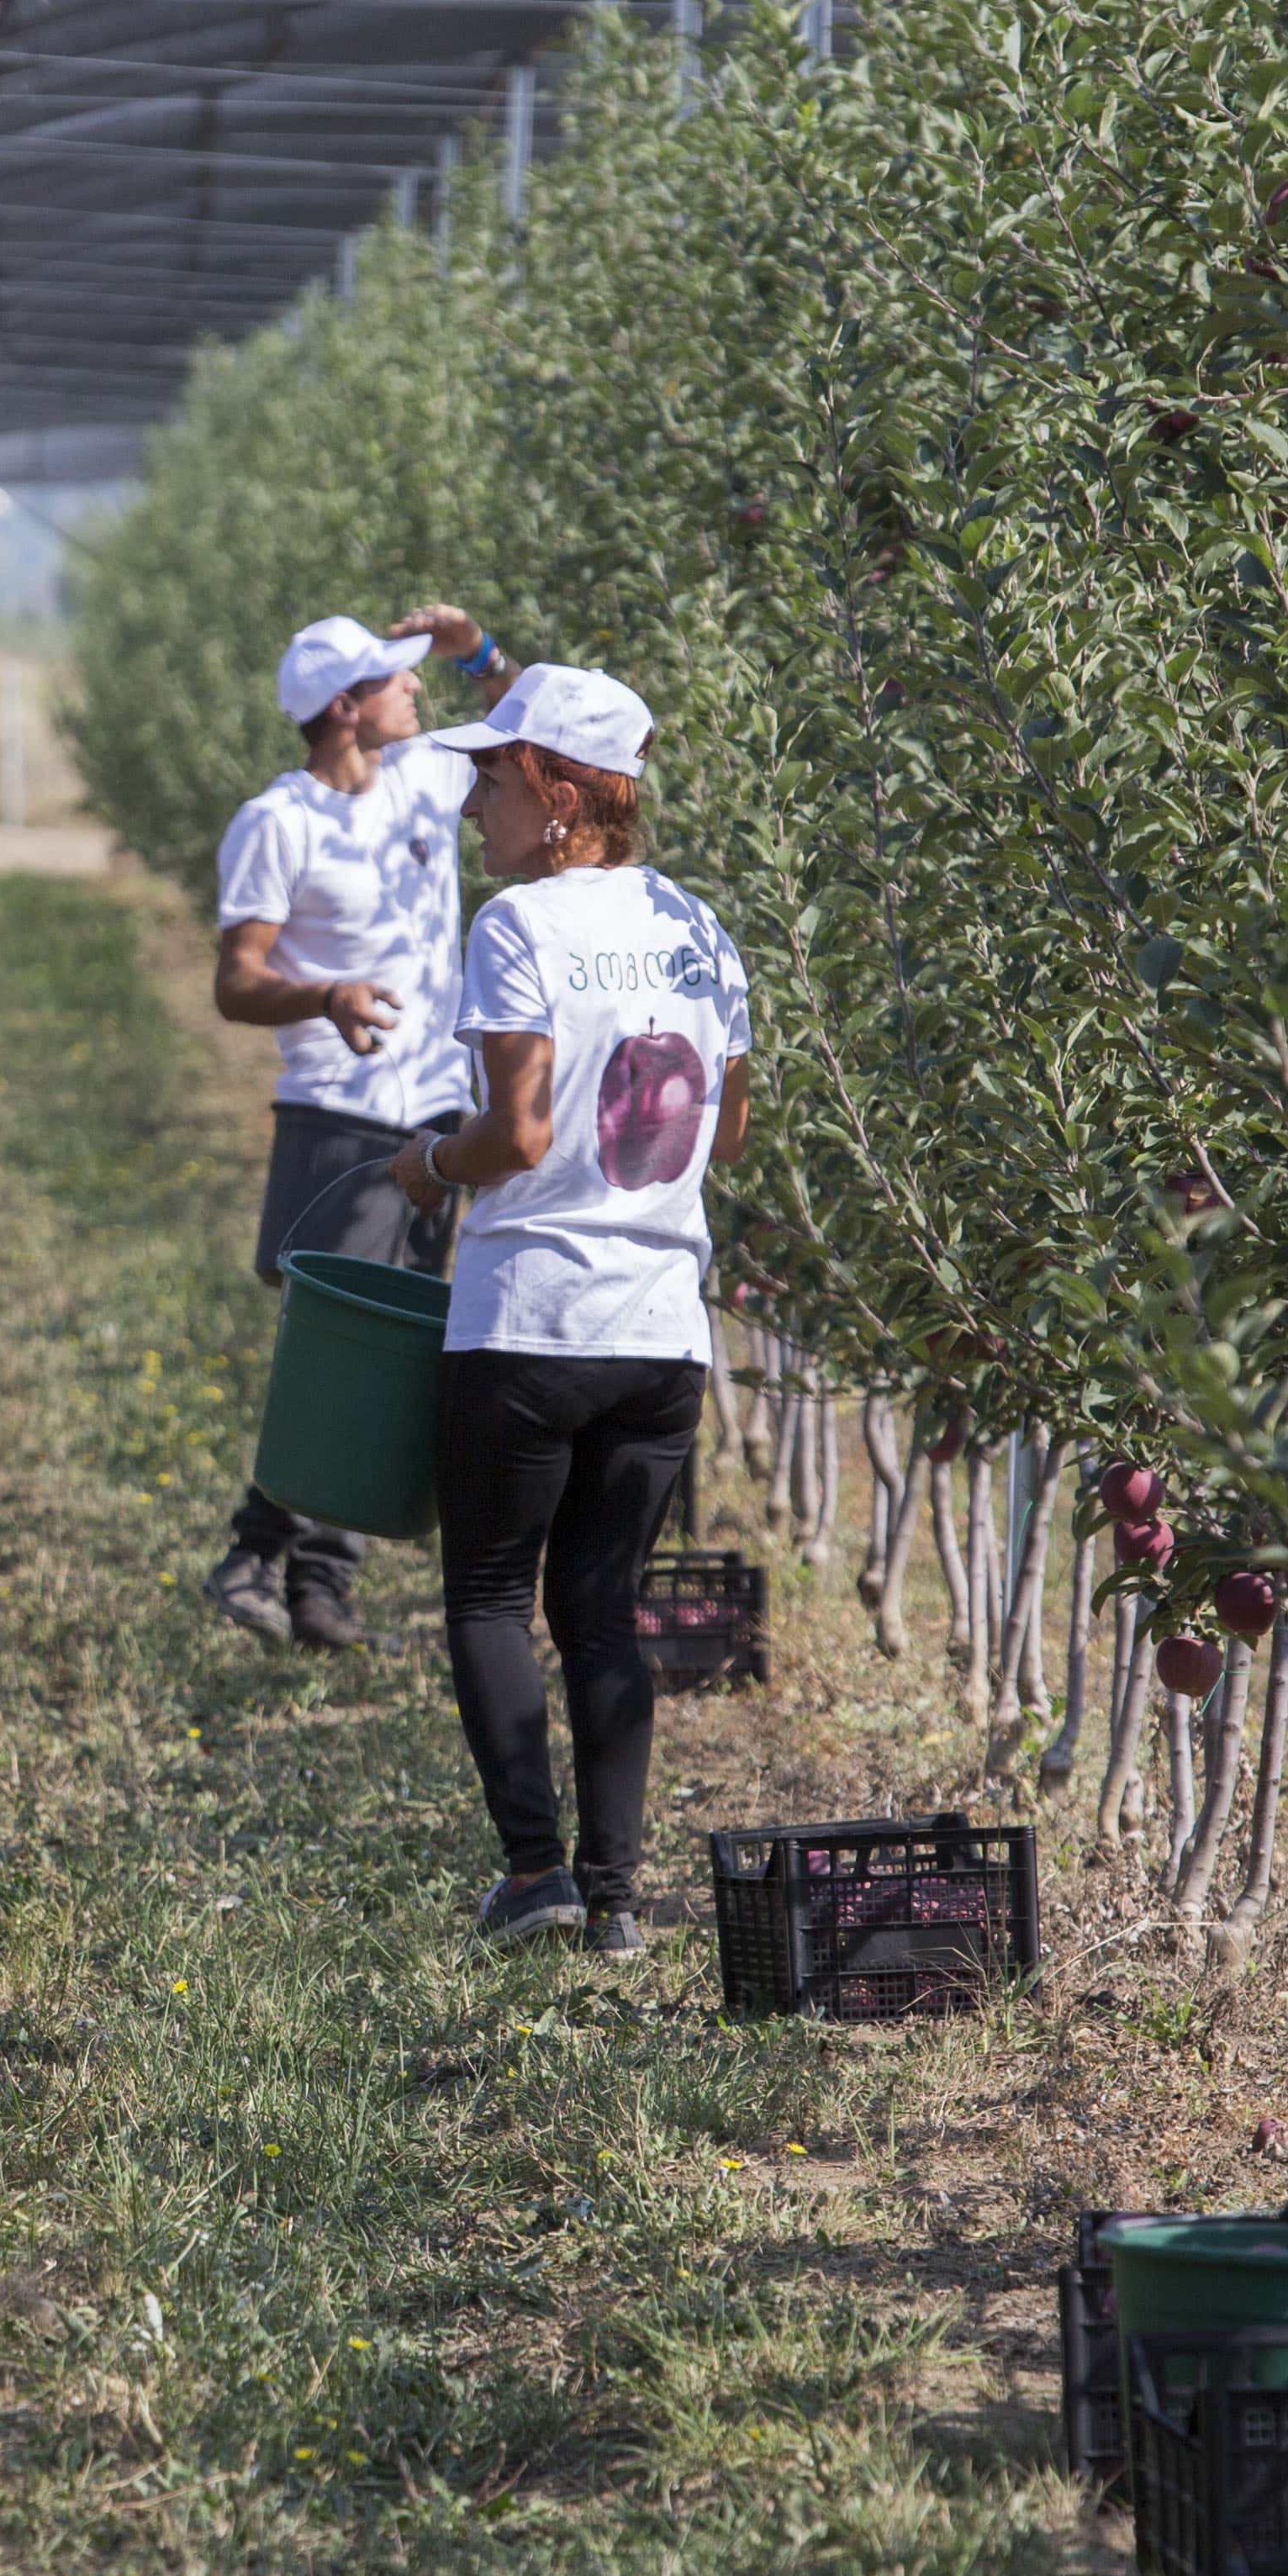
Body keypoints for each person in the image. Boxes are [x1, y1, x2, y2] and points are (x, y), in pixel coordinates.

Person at [388, 662, 752, 1952]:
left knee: (492, 1593)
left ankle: (535, 1873)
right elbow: (730, 1130)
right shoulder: (699, 927)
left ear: (555, 792)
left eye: (489, 777)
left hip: (531, 1318)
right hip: (660, 1331)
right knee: (602, 1607)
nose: (470, 804)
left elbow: (522, 1133)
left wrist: (434, 1163)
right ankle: (617, 1900)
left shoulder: (517, 928)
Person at [203, 600, 511, 1650]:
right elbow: (237, 981)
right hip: (339, 1110)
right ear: (344, 707)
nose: (415, 687)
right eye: (396, 677)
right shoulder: (277, 822)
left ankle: (321, 1591)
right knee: (334, 1347)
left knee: (391, 1354)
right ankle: (253, 1557)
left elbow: (530, 734)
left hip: (432, 1110)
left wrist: (478, 650)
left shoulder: (423, 777)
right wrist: (324, 996)